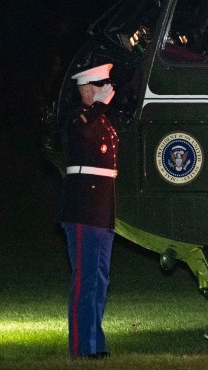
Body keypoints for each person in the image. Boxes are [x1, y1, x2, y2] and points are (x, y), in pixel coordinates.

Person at [59, 63, 118, 359]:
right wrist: (97, 107)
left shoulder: (102, 121)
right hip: (83, 208)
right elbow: (81, 132)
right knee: (85, 279)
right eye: (99, 85)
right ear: (85, 89)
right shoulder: (77, 119)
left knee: (99, 279)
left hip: (101, 210)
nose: (106, 90)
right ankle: (83, 347)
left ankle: (95, 343)